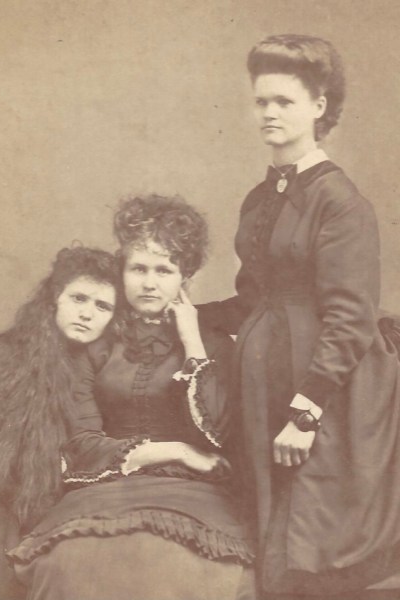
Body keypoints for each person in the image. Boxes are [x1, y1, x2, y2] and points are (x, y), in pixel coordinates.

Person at [197, 34, 400, 599]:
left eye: (284, 101)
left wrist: (305, 413)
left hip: (324, 392)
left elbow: (351, 318)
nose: (269, 112)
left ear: (319, 106)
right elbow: (249, 300)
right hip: (267, 382)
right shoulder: (259, 198)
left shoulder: (340, 202)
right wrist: (181, 314)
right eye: (262, 101)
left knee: (309, 552)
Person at [9, 195, 255, 600]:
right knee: (70, 562)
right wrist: (177, 450)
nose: (149, 283)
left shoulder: (212, 344)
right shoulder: (96, 343)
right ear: (122, 270)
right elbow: (81, 442)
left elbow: (218, 435)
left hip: (195, 492)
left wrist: (193, 342)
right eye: (139, 268)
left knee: (199, 568)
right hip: (105, 486)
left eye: (164, 270)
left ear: (185, 277)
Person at [0, 246, 118, 600]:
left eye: (102, 306)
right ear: (55, 297)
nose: (87, 313)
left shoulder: (100, 368)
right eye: (79, 298)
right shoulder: (4, 355)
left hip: (50, 503)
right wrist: (49, 474)